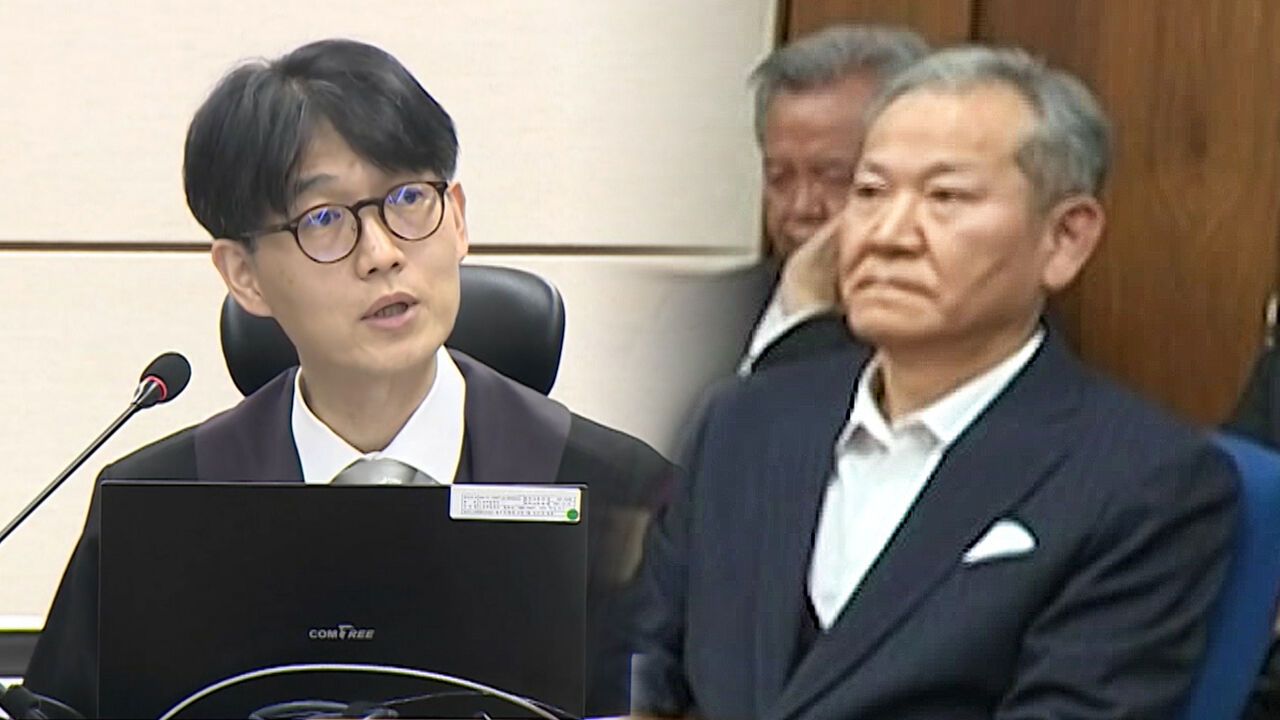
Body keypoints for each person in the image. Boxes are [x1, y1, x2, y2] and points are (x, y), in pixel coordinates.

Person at [23, 38, 670, 717]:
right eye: (324, 219)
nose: (382, 253)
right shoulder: (153, 513)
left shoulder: (624, 499)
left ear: (457, 219)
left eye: (408, 198)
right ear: (244, 275)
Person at [632, 46, 1238, 719]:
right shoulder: (747, 419)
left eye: (945, 197)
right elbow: (641, 664)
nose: (888, 235)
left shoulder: (1144, 481)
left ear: (1064, 238)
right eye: (870, 192)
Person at [736, 25, 926, 375]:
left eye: (835, 178)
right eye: (779, 177)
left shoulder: (944, 329)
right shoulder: (702, 314)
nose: (802, 208)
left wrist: (808, 321)